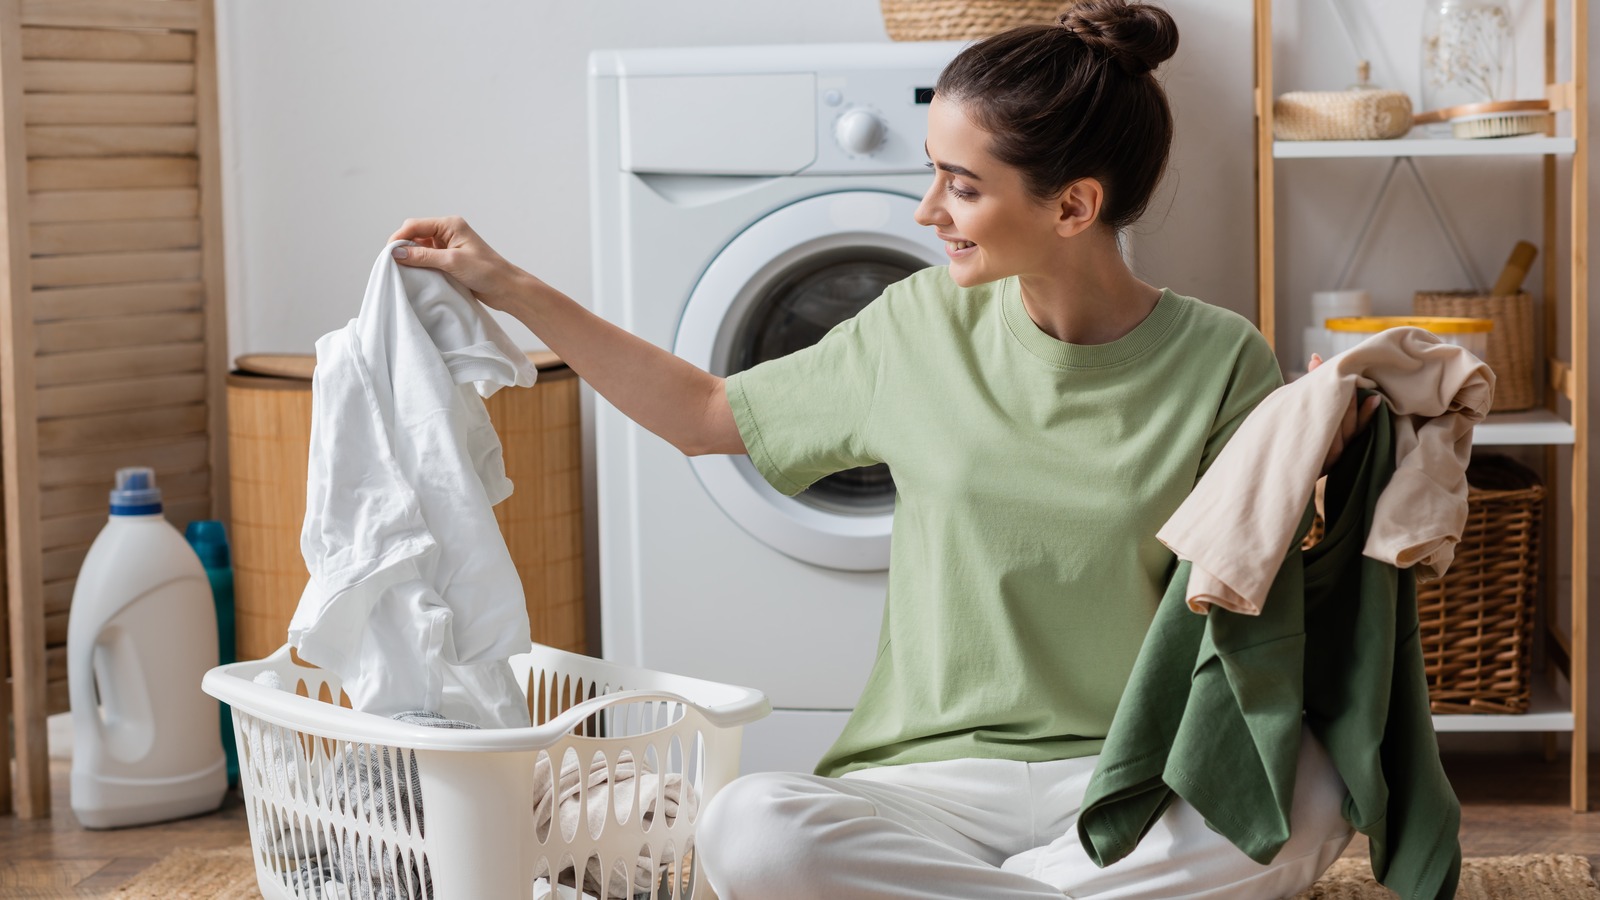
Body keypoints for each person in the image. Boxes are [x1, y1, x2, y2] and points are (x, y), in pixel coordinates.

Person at [391, 2, 1381, 895]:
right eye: (931, 175)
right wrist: (510, 286)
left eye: (959, 186)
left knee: (1314, 787)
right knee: (754, 828)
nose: (925, 211)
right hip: (930, 784)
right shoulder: (914, 326)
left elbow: (1257, 584)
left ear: (1072, 207)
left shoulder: (1220, 359)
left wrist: (1334, 451)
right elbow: (702, 413)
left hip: (1133, 768)